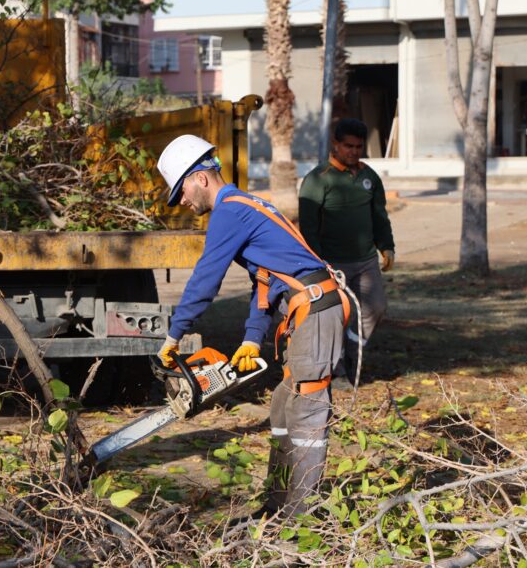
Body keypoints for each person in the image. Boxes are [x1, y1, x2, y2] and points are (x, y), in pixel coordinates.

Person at [155, 134, 351, 520]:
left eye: (181, 190)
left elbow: (205, 278)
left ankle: (301, 516)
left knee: (307, 409)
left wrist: (174, 334)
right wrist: (250, 339)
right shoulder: (242, 207)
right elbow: (264, 282)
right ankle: (277, 504)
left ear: (202, 178)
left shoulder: (230, 209)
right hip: (304, 309)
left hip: (315, 307)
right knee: (281, 406)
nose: (181, 201)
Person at [298, 118, 395, 386]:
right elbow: (308, 227)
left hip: (365, 261)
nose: (353, 151)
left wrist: (386, 246)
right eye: (348, 146)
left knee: (375, 307)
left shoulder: (369, 177)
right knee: (334, 316)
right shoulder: (318, 179)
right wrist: (317, 263)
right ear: (336, 145)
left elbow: (379, 216)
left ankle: (354, 352)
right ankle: (338, 371)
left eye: (358, 147)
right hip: (332, 263)